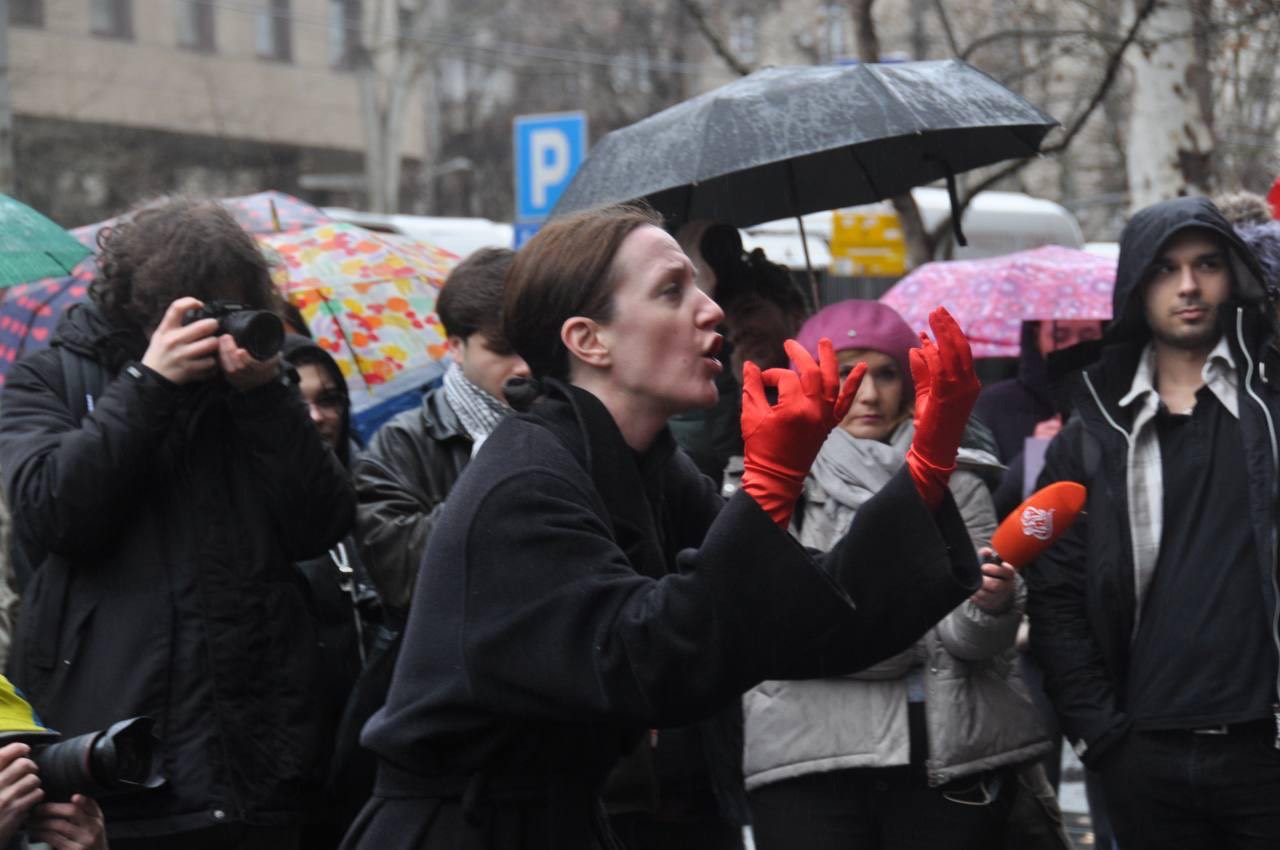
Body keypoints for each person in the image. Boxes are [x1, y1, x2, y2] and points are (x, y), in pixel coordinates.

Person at [339, 203, 986, 850]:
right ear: (589, 340)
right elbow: (647, 661)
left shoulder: (649, 464)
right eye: (672, 291)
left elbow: (801, 619)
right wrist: (768, 488)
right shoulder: (524, 479)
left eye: (699, 287)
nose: (711, 310)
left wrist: (926, 470)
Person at [0, 198, 356, 849]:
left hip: (264, 763)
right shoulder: (49, 379)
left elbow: (321, 524)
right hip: (121, 765)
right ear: (142, 306)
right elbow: (52, 516)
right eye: (199, 310)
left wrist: (267, 400)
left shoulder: (256, 389)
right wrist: (148, 384)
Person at [744, 300, 1052, 850]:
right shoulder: (770, 481)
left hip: (948, 761)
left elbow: (971, 640)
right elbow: (785, 631)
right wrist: (910, 630)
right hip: (807, 765)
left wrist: (994, 603)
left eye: (886, 373)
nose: (867, 394)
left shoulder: (959, 483)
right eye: (848, 373)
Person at [1028, 196, 1280, 850]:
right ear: (1136, 287)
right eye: (1165, 270)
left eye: (1207, 265)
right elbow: (1055, 596)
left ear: (1237, 276)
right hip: (1145, 757)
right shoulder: (1089, 435)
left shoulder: (1274, 409)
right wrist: (1105, 738)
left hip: (1267, 748)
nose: (1189, 286)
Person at [354, 247, 529, 619]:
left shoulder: (563, 423)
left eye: (531, 346)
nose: (524, 367)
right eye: (503, 349)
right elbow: (399, 575)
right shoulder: (401, 443)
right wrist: (493, 477)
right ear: (455, 347)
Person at [282, 334, 375, 849]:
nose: (318, 417)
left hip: (371, 752)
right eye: (299, 403)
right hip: (300, 768)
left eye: (328, 399)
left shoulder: (375, 486)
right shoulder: (258, 515)